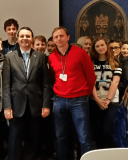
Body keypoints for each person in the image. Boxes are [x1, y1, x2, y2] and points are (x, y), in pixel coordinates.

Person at [3, 27, 51, 160]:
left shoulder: (40, 57)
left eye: (28, 36)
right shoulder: (9, 57)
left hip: (36, 106)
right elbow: (6, 84)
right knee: (14, 140)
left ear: (32, 39)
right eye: (22, 36)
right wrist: (7, 107)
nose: (25, 38)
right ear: (18, 39)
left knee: (33, 139)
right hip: (16, 106)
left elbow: (45, 83)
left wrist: (46, 105)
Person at [48, 27, 95, 160]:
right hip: (59, 101)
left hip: (79, 100)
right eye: (56, 37)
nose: (59, 39)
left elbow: (91, 76)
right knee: (60, 136)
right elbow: (52, 78)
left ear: (68, 37)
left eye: (61, 36)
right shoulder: (51, 58)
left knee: (84, 136)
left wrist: (86, 93)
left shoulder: (80, 53)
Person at [89, 37, 121, 148]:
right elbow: (91, 82)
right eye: (97, 46)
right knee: (96, 131)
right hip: (95, 101)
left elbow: (115, 82)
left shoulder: (116, 61)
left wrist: (107, 100)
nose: (100, 48)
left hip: (112, 101)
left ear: (106, 45)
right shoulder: (91, 62)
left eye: (102, 45)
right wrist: (97, 99)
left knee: (108, 130)